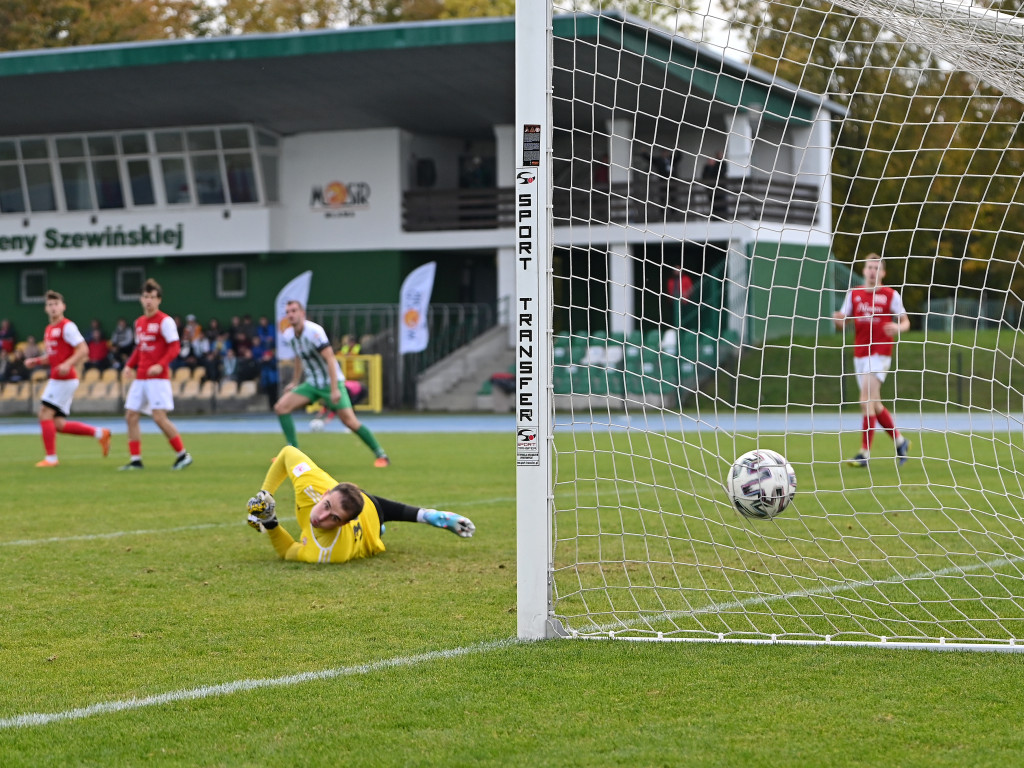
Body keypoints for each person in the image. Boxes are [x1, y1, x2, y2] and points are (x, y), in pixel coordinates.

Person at [245, 445, 475, 564]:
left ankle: (420, 519)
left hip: (369, 534)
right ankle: (430, 516)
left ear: (345, 522)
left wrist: (271, 523)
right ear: (325, 493)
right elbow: (287, 453)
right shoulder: (314, 484)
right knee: (368, 500)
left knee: (378, 522)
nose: (321, 518)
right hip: (365, 500)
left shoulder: (327, 552)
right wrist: (266, 494)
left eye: (334, 518)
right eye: (326, 506)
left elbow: (287, 552)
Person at [274, 300, 390, 467]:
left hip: (330, 384)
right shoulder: (289, 335)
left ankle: (381, 455)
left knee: (350, 422)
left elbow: (330, 358)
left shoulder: (314, 332)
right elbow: (299, 358)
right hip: (312, 384)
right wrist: (294, 381)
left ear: (302, 313)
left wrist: (335, 389)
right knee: (281, 407)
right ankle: (293, 452)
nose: (290, 314)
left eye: (294, 311)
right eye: (288, 312)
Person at [833, 254, 912, 467]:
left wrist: (897, 327)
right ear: (864, 270)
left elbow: (906, 322)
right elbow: (843, 322)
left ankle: (864, 453)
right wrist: (838, 321)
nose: (872, 271)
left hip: (880, 353)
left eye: (876, 268)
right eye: (869, 267)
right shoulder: (854, 294)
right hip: (860, 354)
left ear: (883, 273)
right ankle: (900, 441)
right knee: (874, 404)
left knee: (865, 399)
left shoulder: (890, 295)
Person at [23, 290, 111, 467]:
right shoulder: (49, 329)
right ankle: (100, 433)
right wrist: (37, 361)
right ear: (45, 309)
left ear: (63, 306)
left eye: (56, 304)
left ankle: (51, 459)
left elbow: (83, 349)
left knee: (44, 413)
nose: (53, 307)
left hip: (65, 379)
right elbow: (54, 356)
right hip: (58, 378)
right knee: (58, 424)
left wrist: (67, 364)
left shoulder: (67, 326)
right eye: (50, 305)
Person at [120, 278, 193, 471]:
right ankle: (136, 460)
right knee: (131, 415)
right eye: (145, 297)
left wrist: (161, 365)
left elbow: (175, 346)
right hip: (141, 377)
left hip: (157, 379)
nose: (149, 301)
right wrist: (129, 365)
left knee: (159, 417)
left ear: (159, 300)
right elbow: (140, 347)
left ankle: (183, 455)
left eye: (152, 297)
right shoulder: (139, 322)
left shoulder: (165, 321)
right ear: (140, 299)